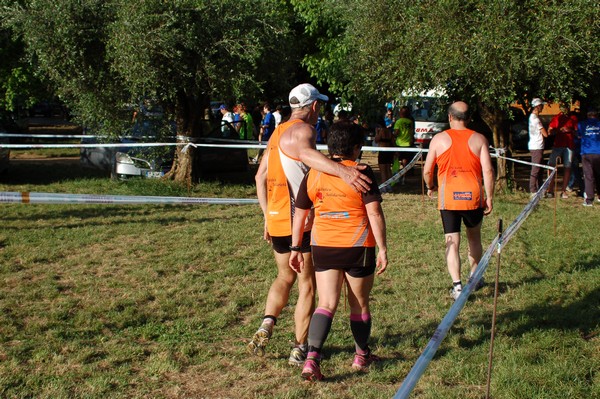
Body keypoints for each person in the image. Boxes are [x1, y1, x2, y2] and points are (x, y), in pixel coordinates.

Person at [248, 83, 372, 366]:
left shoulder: (276, 134)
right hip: (300, 223)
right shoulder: (303, 131)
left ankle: (267, 322)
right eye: (320, 107)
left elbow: (259, 178)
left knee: (283, 278)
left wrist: (267, 216)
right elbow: (306, 156)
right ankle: (299, 347)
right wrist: (344, 171)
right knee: (307, 287)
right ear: (314, 106)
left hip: (277, 220)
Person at [289, 121, 388, 381]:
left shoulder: (314, 174)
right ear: (356, 148)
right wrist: (384, 248)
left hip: (323, 246)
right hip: (358, 247)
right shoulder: (362, 172)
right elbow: (374, 212)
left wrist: (296, 247)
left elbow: (299, 214)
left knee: (326, 304)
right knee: (359, 305)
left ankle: (311, 360)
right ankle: (361, 355)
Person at [423, 101, 494, 300]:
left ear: (450, 117)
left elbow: (428, 170)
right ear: (469, 118)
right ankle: (474, 277)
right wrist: (490, 196)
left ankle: (457, 285)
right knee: (474, 238)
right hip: (473, 197)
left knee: (451, 241)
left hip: (449, 198)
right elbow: (488, 170)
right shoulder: (479, 139)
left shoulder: (439, 139)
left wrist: (430, 186)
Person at [547, 104, 577, 199]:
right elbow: (550, 131)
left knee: (567, 167)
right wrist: (559, 130)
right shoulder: (557, 118)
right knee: (551, 165)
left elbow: (577, 132)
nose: (565, 110)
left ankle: (563, 191)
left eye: (566, 108)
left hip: (569, 145)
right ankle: (550, 190)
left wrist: (570, 130)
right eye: (563, 108)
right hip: (558, 145)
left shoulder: (573, 118)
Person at [579, 108, 600, 206]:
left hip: (586, 152)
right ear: (596, 115)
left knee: (588, 176)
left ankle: (589, 200)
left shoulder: (582, 124)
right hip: (598, 152)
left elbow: (579, 135)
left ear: (588, 115)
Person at [528, 98, 549, 196]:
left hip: (537, 145)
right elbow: (545, 134)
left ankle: (539, 189)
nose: (543, 107)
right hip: (536, 146)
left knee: (539, 168)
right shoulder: (535, 119)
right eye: (541, 105)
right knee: (536, 169)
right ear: (537, 106)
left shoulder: (533, 117)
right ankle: (533, 190)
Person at [393, 106, 415, 184]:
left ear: (400, 113)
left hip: (399, 143)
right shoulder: (410, 122)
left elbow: (396, 132)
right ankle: (404, 178)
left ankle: (395, 177)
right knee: (405, 161)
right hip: (408, 144)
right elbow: (412, 132)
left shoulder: (398, 122)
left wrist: (392, 135)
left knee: (396, 159)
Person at [374, 122, 394, 190]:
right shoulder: (389, 131)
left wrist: (377, 133)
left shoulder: (381, 131)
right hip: (389, 151)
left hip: (383, 151)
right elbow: (393, 141)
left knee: (383, 170)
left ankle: (384, 186)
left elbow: (376, 140)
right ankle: (389, 185)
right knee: (388, 169)